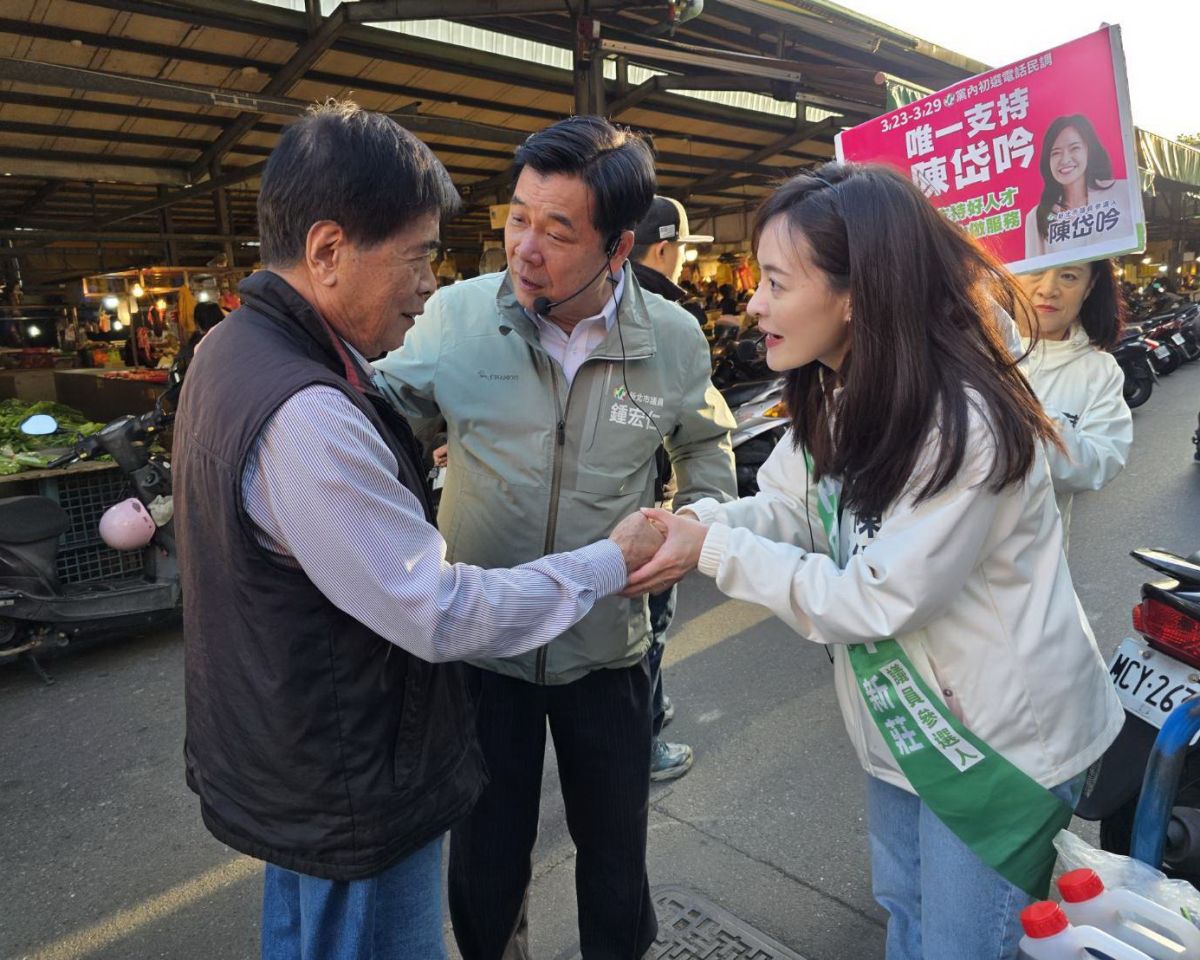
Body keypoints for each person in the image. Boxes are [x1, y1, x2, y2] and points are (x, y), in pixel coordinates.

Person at [173, 101, 663, 960]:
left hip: (315, 753)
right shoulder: (313, 411)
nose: (431, 282)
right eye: (419, 256)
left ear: (617, 245)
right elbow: (434, 609)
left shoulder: (232, 350)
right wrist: (605, 563)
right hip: (356, 773)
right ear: (327, 251)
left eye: (556, 228)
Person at [625, 163, 1124, 960]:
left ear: (857, 294)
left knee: (961, 945)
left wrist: (713, 549)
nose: (752, 303)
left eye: (776, 282)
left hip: (996, 747)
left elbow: (876, 600)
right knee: (906, 910)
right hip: (905, 732)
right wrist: (695, 522)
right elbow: (791, 505)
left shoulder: (964, 422)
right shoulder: (840, 387)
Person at [374, 115, 736, 960]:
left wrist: (698, 524)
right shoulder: (457, 317)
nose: (525, 248)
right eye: (517, 218)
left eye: (556, 230)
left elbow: (706, 445)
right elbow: (375, 419)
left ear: (618, 248)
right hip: (481, 647)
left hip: (607, 650)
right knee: (486, 855)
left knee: (614, 855)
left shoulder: (673, 339)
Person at [629, 195, 717, 782]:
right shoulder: (669, 319)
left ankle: (649, 710)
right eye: (684, 249)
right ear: (664, 248)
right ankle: (643, 742)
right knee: (648, 631)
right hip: (642, 508)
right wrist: (700, 515)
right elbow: (702, 432)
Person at [1014, 260, 1132, 551]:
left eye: (1068, 276)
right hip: (938, 567)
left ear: (1089, 286)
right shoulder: (964, 346)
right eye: (1035, 269)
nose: (1048, 289)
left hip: (1036, 567)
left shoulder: (1100, 371)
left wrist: (1026, 407)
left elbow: (1099, 463)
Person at [1025, 114, 1132, 258]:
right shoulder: (1037, 216)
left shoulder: (1123, 192)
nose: (1065, 159)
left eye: (1074, 148)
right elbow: (1034, 273)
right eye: (1056, 153)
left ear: (1089, 150)